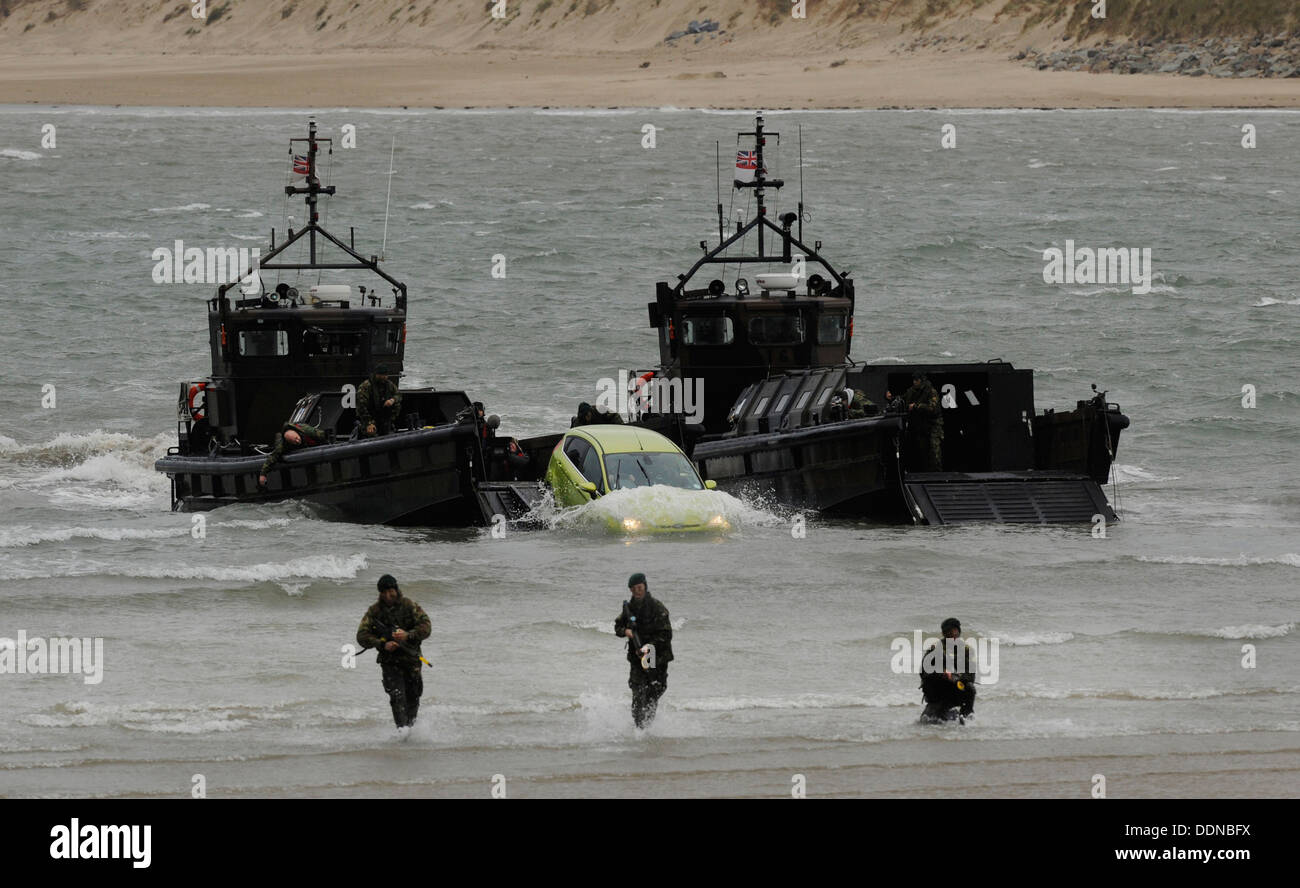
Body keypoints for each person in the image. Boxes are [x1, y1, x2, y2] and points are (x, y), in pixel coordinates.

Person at [356, 574, 431, 731]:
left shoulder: (409, 605)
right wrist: (382, 644)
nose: (388, 595)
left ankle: (410, 731)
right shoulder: (374, 612)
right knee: (397, 697)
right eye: (384, 592)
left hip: (411, 659)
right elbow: (361, 636)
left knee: (413, 698)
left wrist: (407, 635)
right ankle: (402, 732)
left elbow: (426, 626)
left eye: (391, 591)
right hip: (390, 661)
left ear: (396, 590)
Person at [613, 572, 674, 729]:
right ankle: (639, 729)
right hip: (637, 657)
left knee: (654, 691)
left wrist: (648, 647)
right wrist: (625, 632)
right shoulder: (629, 608)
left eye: (639, 587)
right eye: (633, 589)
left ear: (645, 587)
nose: (637, 591)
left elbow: (666, 634)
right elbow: (617, 626)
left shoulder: (657, 607)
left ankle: (647, 727)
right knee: (638, 692)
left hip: (656, 656)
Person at [919, 617, 976, 724]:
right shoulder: (935, 648)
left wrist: (958, 677)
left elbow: (971, 675)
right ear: (944, 634)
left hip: (956, 686)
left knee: (970, 688)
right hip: (937, 687)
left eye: (956, 634)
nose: (953, 637)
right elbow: (923, 672)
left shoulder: (966, 650)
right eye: (949, 634)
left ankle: (967, 717)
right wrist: (942, 674)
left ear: (959, 633)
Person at [258, 421, 329, 486]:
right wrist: (263, 474)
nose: (298, 441)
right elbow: (273, 457)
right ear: (290, 443)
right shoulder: (283, 445)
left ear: (297, 434)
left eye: (297, 438)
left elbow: (322, 436)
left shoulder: (306, 430)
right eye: (294, 441)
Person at [902, 371, 944, 470]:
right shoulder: (911, 391)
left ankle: (937, 474)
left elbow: (932, 408)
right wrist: (890, 398)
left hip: (933, 425)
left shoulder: (931, 391)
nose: (914, 382)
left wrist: (917, 406)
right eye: (914, 380)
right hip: (920, 426)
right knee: (921, 452)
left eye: (917, 380)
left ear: (922, 381)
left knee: (935, 451)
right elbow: (903, 399)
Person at [357, 364, 402, 437]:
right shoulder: (366, 386)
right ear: (376, 375)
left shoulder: (389, 385)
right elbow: (361, 406)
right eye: (382, 375)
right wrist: (369, 423)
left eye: (386, 375)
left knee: (397, 404)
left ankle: (389, 424)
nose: (385, 377)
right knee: (371, 433)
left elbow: (398, 395)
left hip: (384, 417)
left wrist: (392, 400)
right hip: (370, 417)